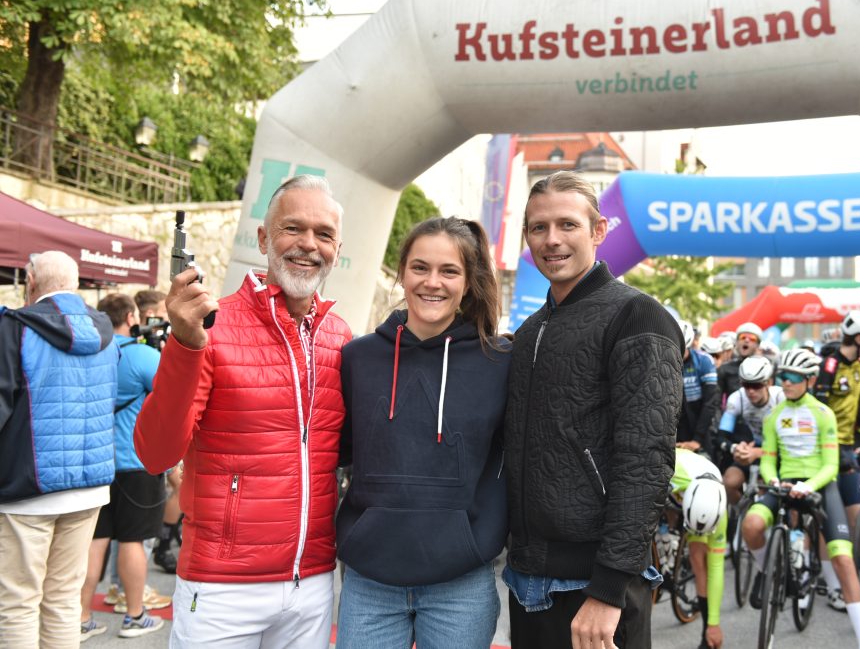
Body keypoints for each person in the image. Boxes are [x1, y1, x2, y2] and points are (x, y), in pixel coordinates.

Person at [134, 174, 352, 648]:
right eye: (293, 228)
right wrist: (185, 347)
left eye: (324, 234)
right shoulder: (210, 326)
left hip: (312, 582)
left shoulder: (339, 336)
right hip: (220, 586)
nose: (308, 245)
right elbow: (155, 454)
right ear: (263, 238)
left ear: (337, 247)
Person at [503, 171, 684, 649]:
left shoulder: (637, 316)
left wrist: (609, 588)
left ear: (599, 231)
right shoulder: (529, 331)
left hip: (596, 587)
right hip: (528, 579)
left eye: (567, 225)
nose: (552, 240)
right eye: (538, 228)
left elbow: (646, 461)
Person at [334, 217, 510, 649]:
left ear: (468, 282)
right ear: (402, 273)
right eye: (420, 268)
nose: (433, 282)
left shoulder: (502, 362)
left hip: (460, 582)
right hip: (370, 580)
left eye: (449, 271)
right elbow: (338, 452)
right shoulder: (358, 357)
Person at [0, 250, 119, 647]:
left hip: (28, 486)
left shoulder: (14, 328)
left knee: (17, 601)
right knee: (64, 598)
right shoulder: (106, 335)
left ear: (31, 281)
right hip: (90, 486)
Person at [741, 349, 860, 649]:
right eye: (782, 377)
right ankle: (769, 570)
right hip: (783, 484)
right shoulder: (775, 414)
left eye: (793, 378)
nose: (785, 383)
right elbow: (768, 459)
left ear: (811, 380)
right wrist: (772, 479)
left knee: (843, 558)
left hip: (820, 486)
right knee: (750, 525)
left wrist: (809, 485)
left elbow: (830, 465)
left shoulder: (823, 414)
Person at [79, 293, 165, 640]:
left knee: (94, 541)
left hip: (94, 462)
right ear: (131, 316)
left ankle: (80, 618)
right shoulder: (143, 354)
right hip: (134, 462)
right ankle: (134, 616)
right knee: (132, 540)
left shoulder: (89, 352)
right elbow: (171, 398)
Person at [813, 310, 860, 607]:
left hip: (848, 448)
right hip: (825, 449)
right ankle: (831, 585)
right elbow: (818, 407)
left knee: (855, 518)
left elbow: (857, 409)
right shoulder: (830, 365)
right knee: (829, 519)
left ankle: (847, 577)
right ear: (858, 338)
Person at [133, 289, 181, 575]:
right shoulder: (145, 349)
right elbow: (166, 391)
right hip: (146, 442)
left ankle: (163, 543)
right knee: (180, 485)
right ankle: (162, 545)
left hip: (143, 440)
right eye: (164, 316)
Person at [669, 449, 727, 649]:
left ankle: (705, 631)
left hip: (705, 488)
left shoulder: (719, 507)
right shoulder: (670, 474)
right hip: (675, 478)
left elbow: (717, 568)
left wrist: (714, 623)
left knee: (699, 556)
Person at [717, 355, 784, 505]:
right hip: (750, 451)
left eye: (757, 385)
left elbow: (791, 442)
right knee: (728, 482)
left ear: (769, 383)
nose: (751, 391)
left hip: (778, 452)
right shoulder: (737, 398)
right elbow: (721, 437)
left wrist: (758, 453)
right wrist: (735, 448)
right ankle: (741, 513)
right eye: (746, 385)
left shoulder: (781, 398)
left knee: (764, 488)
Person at [677, 319, 721, 457]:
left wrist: (697, 440)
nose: (678, 354)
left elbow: (710, 403)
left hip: (700, 425)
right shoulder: (661, 362)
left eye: (682, 348)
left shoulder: (704, 361)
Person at [717, 322, 763, 399]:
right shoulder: (724, 369)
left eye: (752, 338)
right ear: (737, 342)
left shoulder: (765, 368)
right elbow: (716, 401)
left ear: (758, 345)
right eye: (742, 337)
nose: (746, 340)